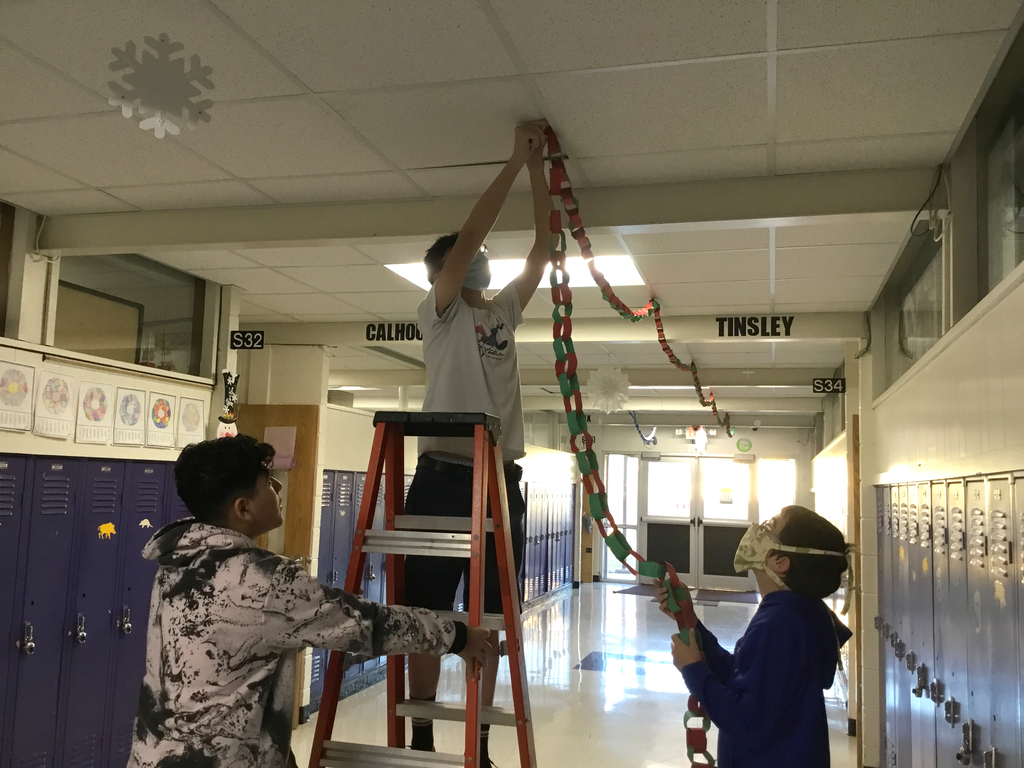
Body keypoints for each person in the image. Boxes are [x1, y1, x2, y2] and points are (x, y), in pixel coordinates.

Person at [128, 435, 492, 768]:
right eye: (267, 483)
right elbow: (368, 624)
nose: (278, 488)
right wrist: (457, 637)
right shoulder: (264, 582)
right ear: (243, 508)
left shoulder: (176, 565)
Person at [403, 119, 552, 765]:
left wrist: (542, 168)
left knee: (490, 615)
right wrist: (515, 162)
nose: (482, 263)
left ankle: (481, 741)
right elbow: (470, 241)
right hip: (442, 475)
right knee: (430, 612)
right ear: (442, 272)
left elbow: (543, 252)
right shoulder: (441, 312)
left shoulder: (500, 313)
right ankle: (423, 733)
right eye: (468, 259)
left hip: (500, 480)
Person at [655, 505, 852, 768]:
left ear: (780, 562)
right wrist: (691, 622)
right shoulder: (802, 611)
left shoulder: (779, 625)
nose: (758, 528)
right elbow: (745, 678)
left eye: (771, 526)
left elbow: (746, 723)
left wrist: (693, 670)